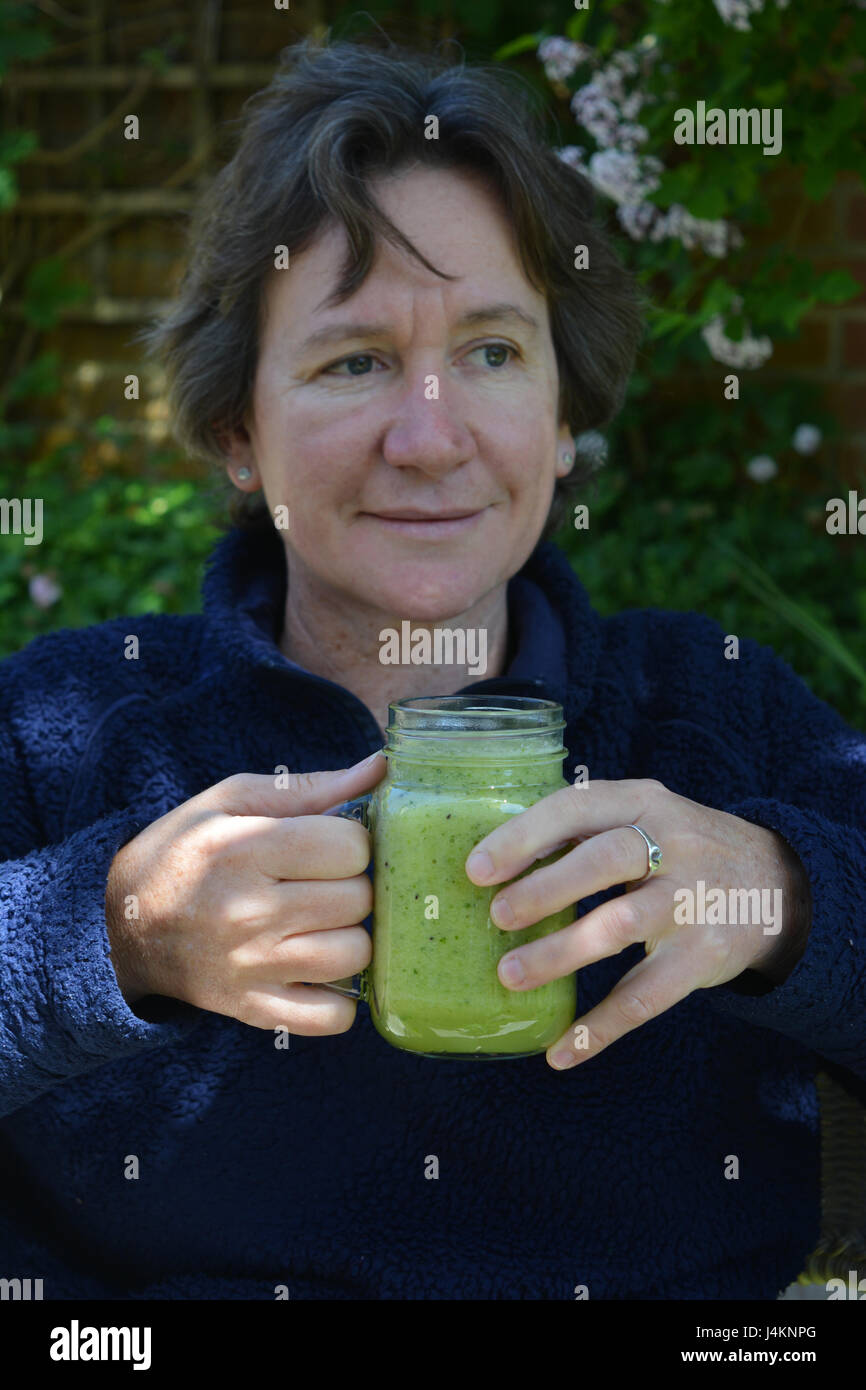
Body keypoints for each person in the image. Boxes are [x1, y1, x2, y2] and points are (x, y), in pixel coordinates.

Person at [1, 34, 864, 1302]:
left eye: (493, 352)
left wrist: (789, 896)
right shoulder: (71, 730)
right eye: (353, 361)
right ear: (238, 429)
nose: (428, 435)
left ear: (564, 419)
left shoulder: (706, 715)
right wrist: (110, 934)